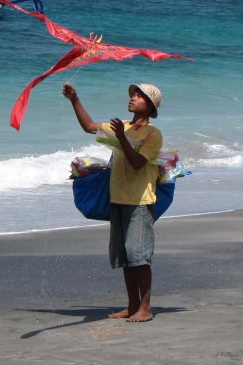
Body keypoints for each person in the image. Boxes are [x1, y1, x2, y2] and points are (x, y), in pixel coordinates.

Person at [63, 81, 163, 323]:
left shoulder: (153, 134)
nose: (133, 98)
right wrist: (74, 98)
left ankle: (146, 308)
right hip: (118, 197)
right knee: (125, 256)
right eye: (133, 94)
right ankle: (131, 305)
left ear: (149, 107)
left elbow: (137, 163)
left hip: (140, 200)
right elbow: (89, 126)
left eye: (139, 96)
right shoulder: (123, 127)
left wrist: (121, 137)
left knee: (139, 256)